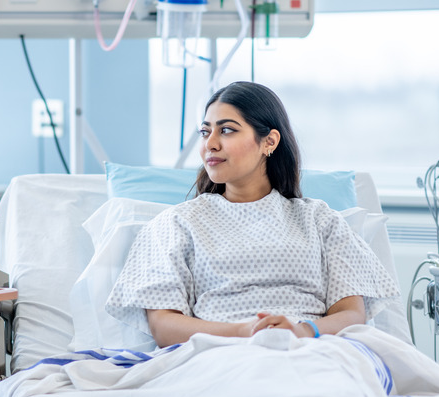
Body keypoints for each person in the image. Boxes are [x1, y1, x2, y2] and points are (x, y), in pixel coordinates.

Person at [105, 81, 400, 348]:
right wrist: (243, 332)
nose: (211, 144)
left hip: (313, 351)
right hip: (215, 354)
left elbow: (351, 313)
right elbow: (163, 326)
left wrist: (301, 332)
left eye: (227, 130)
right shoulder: (176, 224)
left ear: (269, 141)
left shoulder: (320, 221)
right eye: (206, 131)